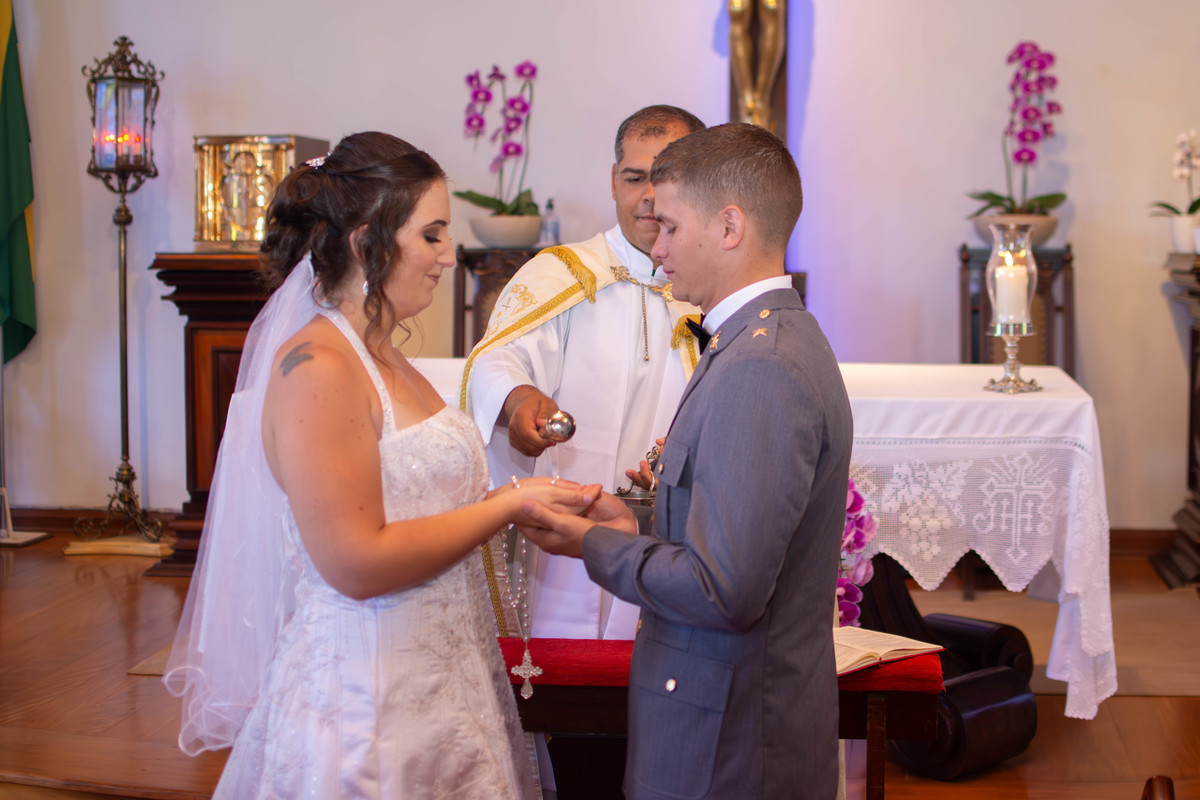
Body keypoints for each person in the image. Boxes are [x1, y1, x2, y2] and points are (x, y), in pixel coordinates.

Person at [163, 131, 598, 798]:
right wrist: (506, 506)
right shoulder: (318, 367)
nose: (448, 255)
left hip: (443, 687)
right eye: (432, 235)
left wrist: (520, 504)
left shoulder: (388, 356)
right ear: (368, 242)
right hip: (364, 707)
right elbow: (355, 563)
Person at [518, 123, 852, 800]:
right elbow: (732, 532)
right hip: (728, 717)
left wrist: (593, 544)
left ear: (729, 227)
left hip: (728, 742)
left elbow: (723, 590)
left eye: (670, 226)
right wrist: (636, 523)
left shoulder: (760, 364)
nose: (657, 247)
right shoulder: (758, 338)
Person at [461, 105, 705, 643]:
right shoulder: (562, 274)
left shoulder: (712, 289)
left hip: (677, 542)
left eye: (666, 179)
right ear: (613, 180)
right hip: (570, 541)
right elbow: (499, 355)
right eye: (634, 178)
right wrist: (519, 398)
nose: (648, 197)